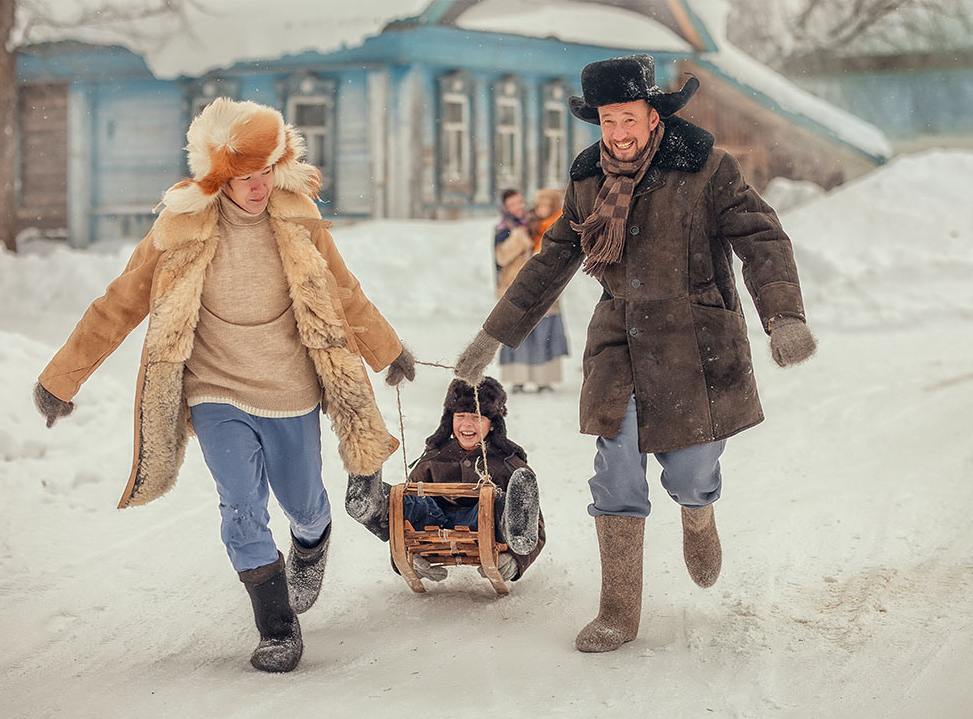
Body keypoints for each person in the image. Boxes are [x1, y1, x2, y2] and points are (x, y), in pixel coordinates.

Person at [31, 97, 415, 673]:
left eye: (267, 171)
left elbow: (344, 291)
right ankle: (277, 628)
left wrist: (388, 350)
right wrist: (61, 378)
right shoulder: (180, 227)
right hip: (214, 388)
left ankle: (312, 540)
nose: (259, 186)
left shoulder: (298, 217)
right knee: (240, 504)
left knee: (304, 502)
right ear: (218, 176)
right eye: (244, 176)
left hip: (290, 388)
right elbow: (119, 302)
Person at [454, 55, 817, 652]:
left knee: (691, 471)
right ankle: (618, 612)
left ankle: (698, 512)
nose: (618, 132)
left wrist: (784, 316)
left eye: (628, 118)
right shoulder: (588, 181)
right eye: (607, 120)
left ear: (653, 116)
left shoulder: (707, 168)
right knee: (616, 471)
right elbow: (552, 259)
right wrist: (494, 335)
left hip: (696, 341)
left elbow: (761, 236)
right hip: (618, 343)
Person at [348, 378, 545, 583]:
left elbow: (538, 528)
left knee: (494, 505)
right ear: (450, 420)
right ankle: (370, 501)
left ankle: (516, 532)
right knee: (407, 500)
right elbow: (408, 513)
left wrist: (515, 561)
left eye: (476, 417)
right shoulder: (434, 458)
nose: (467, 424)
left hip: (481, 526)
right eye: (460, 416)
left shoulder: (508, 464)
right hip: (434, 525)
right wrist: (405, 554)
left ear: (493, 424)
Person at [494, 188, 569, 393]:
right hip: (515, 288)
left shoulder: (536, 224)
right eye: (512, 205)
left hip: (543, 288)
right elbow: (501, 257)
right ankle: (518, 378)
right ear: (505, 208)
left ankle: (543, 379)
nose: (517, 207)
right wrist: (519, 238)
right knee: (517, 334)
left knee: (543, 332)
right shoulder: (504, 228)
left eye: (519, 202)